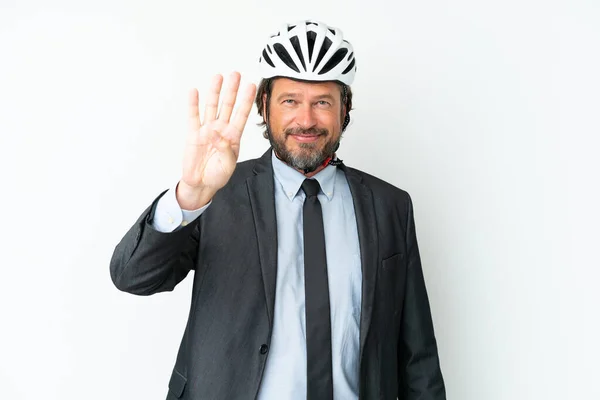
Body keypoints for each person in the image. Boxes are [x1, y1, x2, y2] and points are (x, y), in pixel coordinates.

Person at [110, 20, 446, 400]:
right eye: (290, 101)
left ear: (344, 109)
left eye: (322, 102)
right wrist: (189, 195)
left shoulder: (390, 207)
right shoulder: (217, 192)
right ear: (265, 106)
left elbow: (417, 357)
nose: (306, 120)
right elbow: (132, 276)